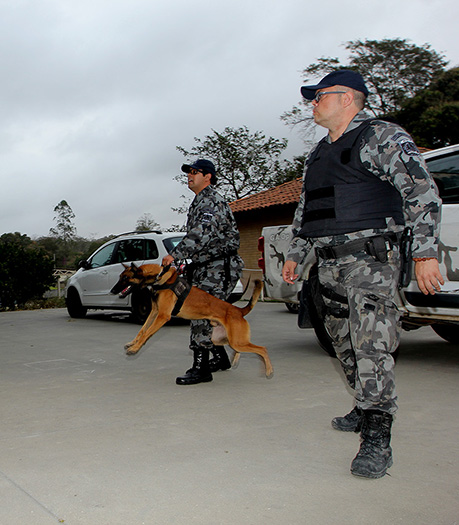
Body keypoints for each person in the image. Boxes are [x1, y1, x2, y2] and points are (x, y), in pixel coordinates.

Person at [281, 70, 444, 478]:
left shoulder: (381, 137)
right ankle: (363, 401)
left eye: (320, 95)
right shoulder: (318, 154)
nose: (313, 103)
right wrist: (296, 254)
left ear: (347, 98)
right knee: (342, 343)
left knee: (371, 344)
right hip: (328, 264)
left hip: (370, 262)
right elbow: (306, 209)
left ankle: (377, 433)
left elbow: (421, 192)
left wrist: (425, 253)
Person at [162, 159, 244, 385]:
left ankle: (201, 368)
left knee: (200, 312)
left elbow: (201, 233)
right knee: (209, 312)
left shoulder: (210, 201)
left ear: (208, 176)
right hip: (207, 266)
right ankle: (220, 359)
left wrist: (175, 255)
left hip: (218, 267)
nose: (189, 176)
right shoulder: (200, 201)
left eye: (194, 172)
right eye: (188, 172)